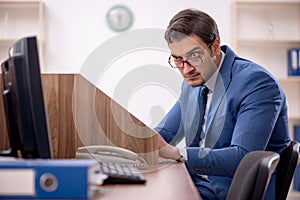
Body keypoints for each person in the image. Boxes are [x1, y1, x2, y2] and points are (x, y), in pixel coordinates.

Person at [156, 8, 290, 200]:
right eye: (178, 59)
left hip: (233, 191)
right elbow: (165, 134)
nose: (186, 69)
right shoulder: (194, 82)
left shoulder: (257, 83)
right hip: (198, 183)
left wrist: (175, 153)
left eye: (194, 56)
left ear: (215, 46)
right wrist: (131, 142)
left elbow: (242, 158)